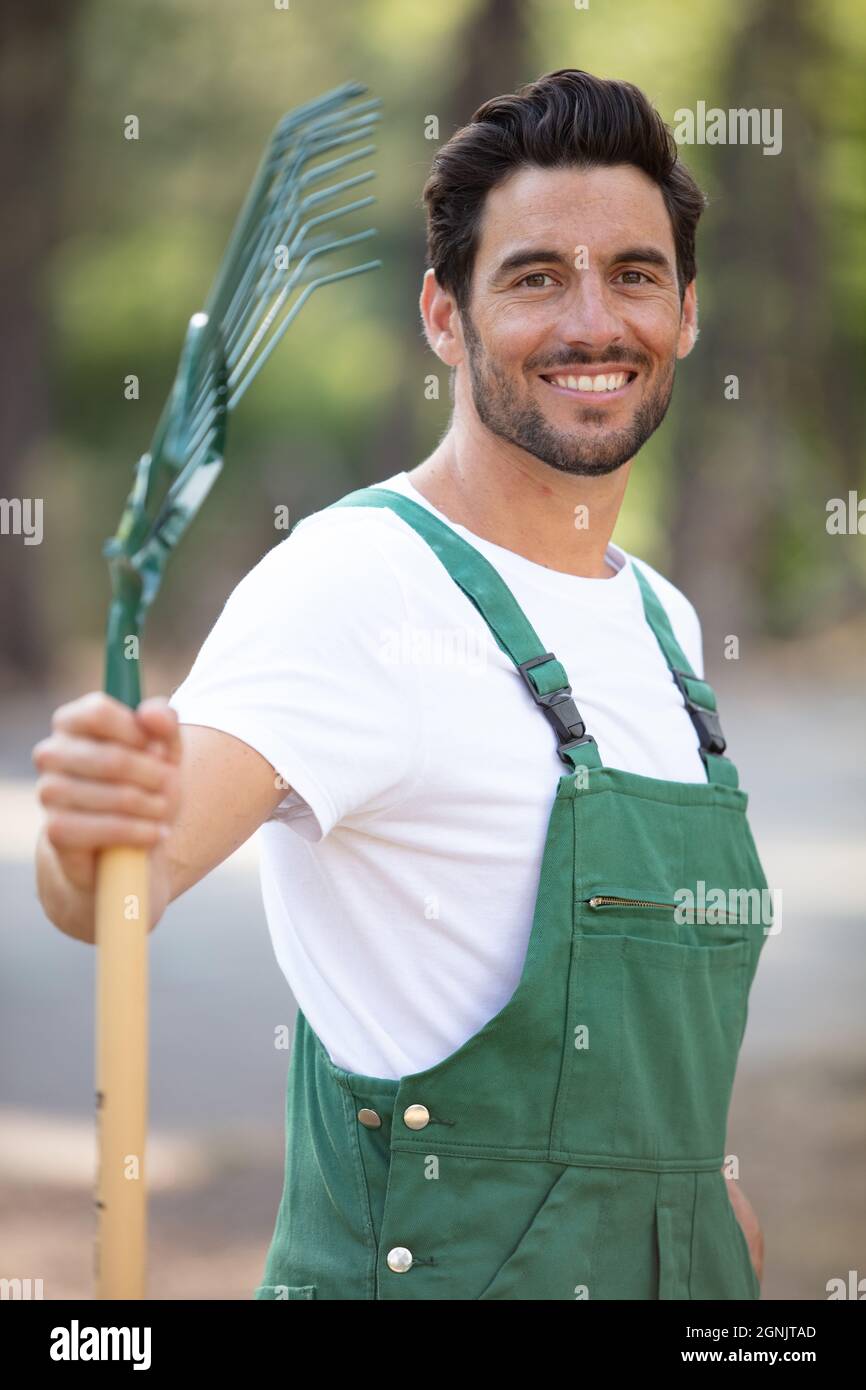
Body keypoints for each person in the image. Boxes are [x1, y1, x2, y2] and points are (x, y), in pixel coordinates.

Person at [33, 68, 767, 1300]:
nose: (593, 321)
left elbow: (649, 1096)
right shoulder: (354, 585)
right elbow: (119, 881)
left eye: (632, 273)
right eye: (535, 276)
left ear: (684, 313)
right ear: (442, 315)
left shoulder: (662, 620)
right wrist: (81, 831)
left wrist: (710, 1215)